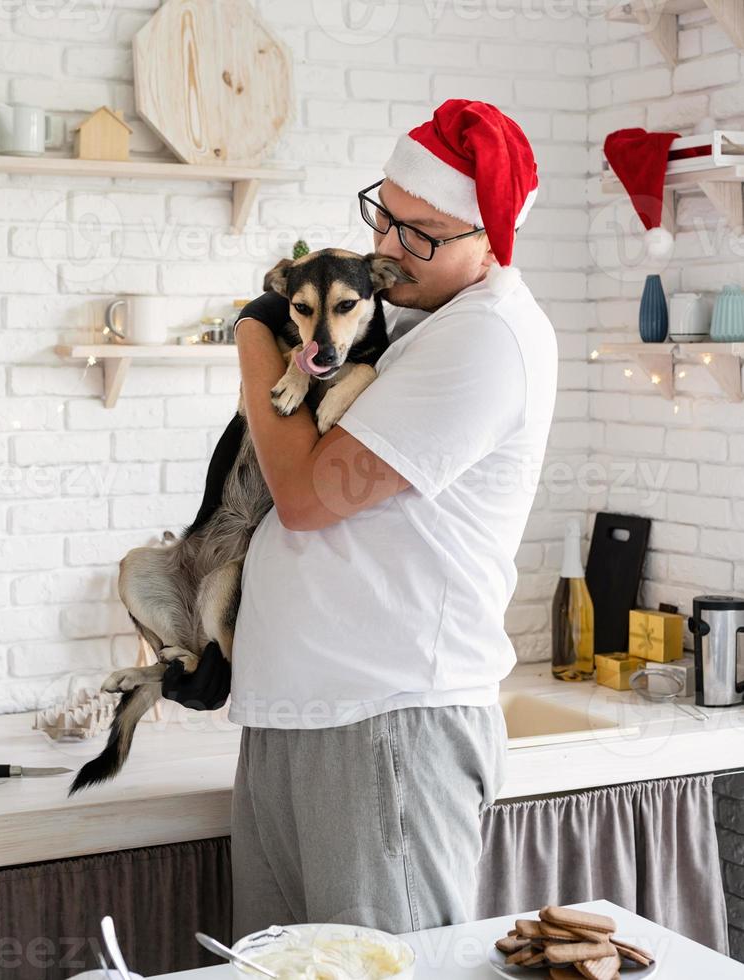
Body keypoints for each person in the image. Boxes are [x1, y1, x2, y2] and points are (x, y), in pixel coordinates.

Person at [162, 99, 558, 940]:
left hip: (385, 726)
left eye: (423, 234)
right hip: (301, 714)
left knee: (388, 967)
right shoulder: (410, 329)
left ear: (491, 240)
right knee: (280, 967)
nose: (387, 247)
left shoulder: (485, 338)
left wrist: (252, 336)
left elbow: (307, 498)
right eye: (385, 215)